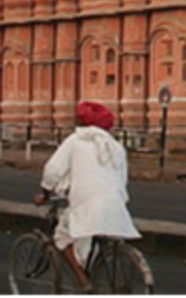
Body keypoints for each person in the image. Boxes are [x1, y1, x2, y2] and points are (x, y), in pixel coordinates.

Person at [35, 101, 141, 290]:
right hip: (116, 203)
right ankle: (93, 273)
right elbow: (122, 178)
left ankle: (83, 282)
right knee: (89, 233)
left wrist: (45, 193)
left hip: (88, 204)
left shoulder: (75, 141)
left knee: (62, 238)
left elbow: (53, 170)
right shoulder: (116, 146)